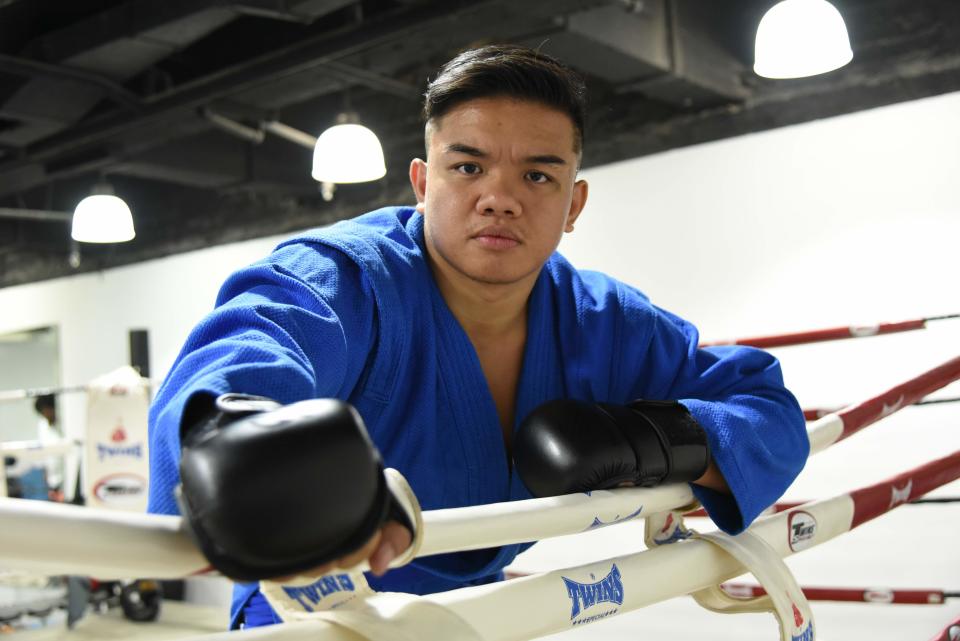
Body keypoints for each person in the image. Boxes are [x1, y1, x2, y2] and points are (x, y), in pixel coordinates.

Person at [148, 45, 808, 629]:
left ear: (573, 205)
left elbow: (766, 408)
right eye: (467, 168)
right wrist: (245, 445)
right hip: (312, 613)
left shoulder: (602, 320)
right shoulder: (344, 279)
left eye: (537, 175)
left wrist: (650, 441)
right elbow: (241, 356)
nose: (499, 197)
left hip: (484, 616)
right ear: (422, 183)